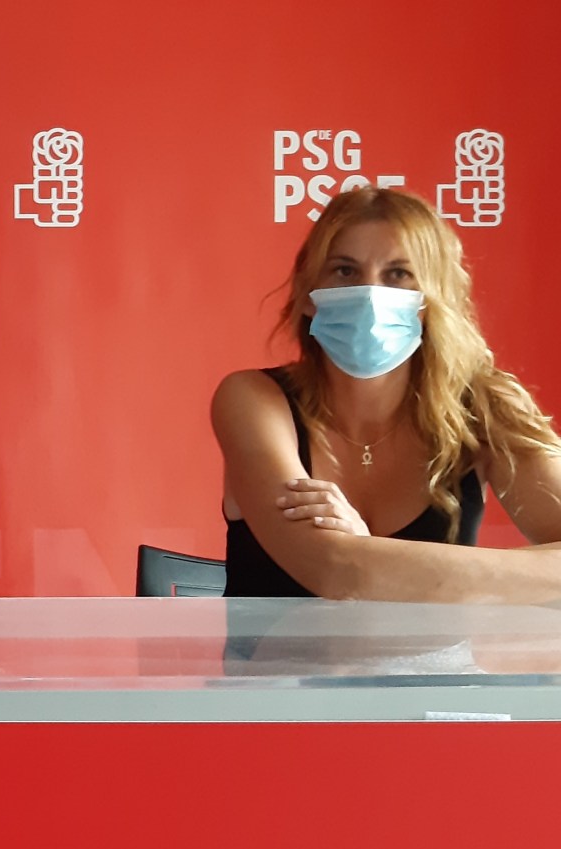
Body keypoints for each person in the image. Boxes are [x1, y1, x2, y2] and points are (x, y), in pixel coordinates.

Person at [212, 185, 561, 600]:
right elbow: (336, 571)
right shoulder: (253, 398)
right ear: (308, 294)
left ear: (433, 298)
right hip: (274, 648)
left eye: (398, 274)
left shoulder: (488, 406)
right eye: (345, 270)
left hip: (435, 650)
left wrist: (365, 552)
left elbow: (354, 568)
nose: (371, 294)